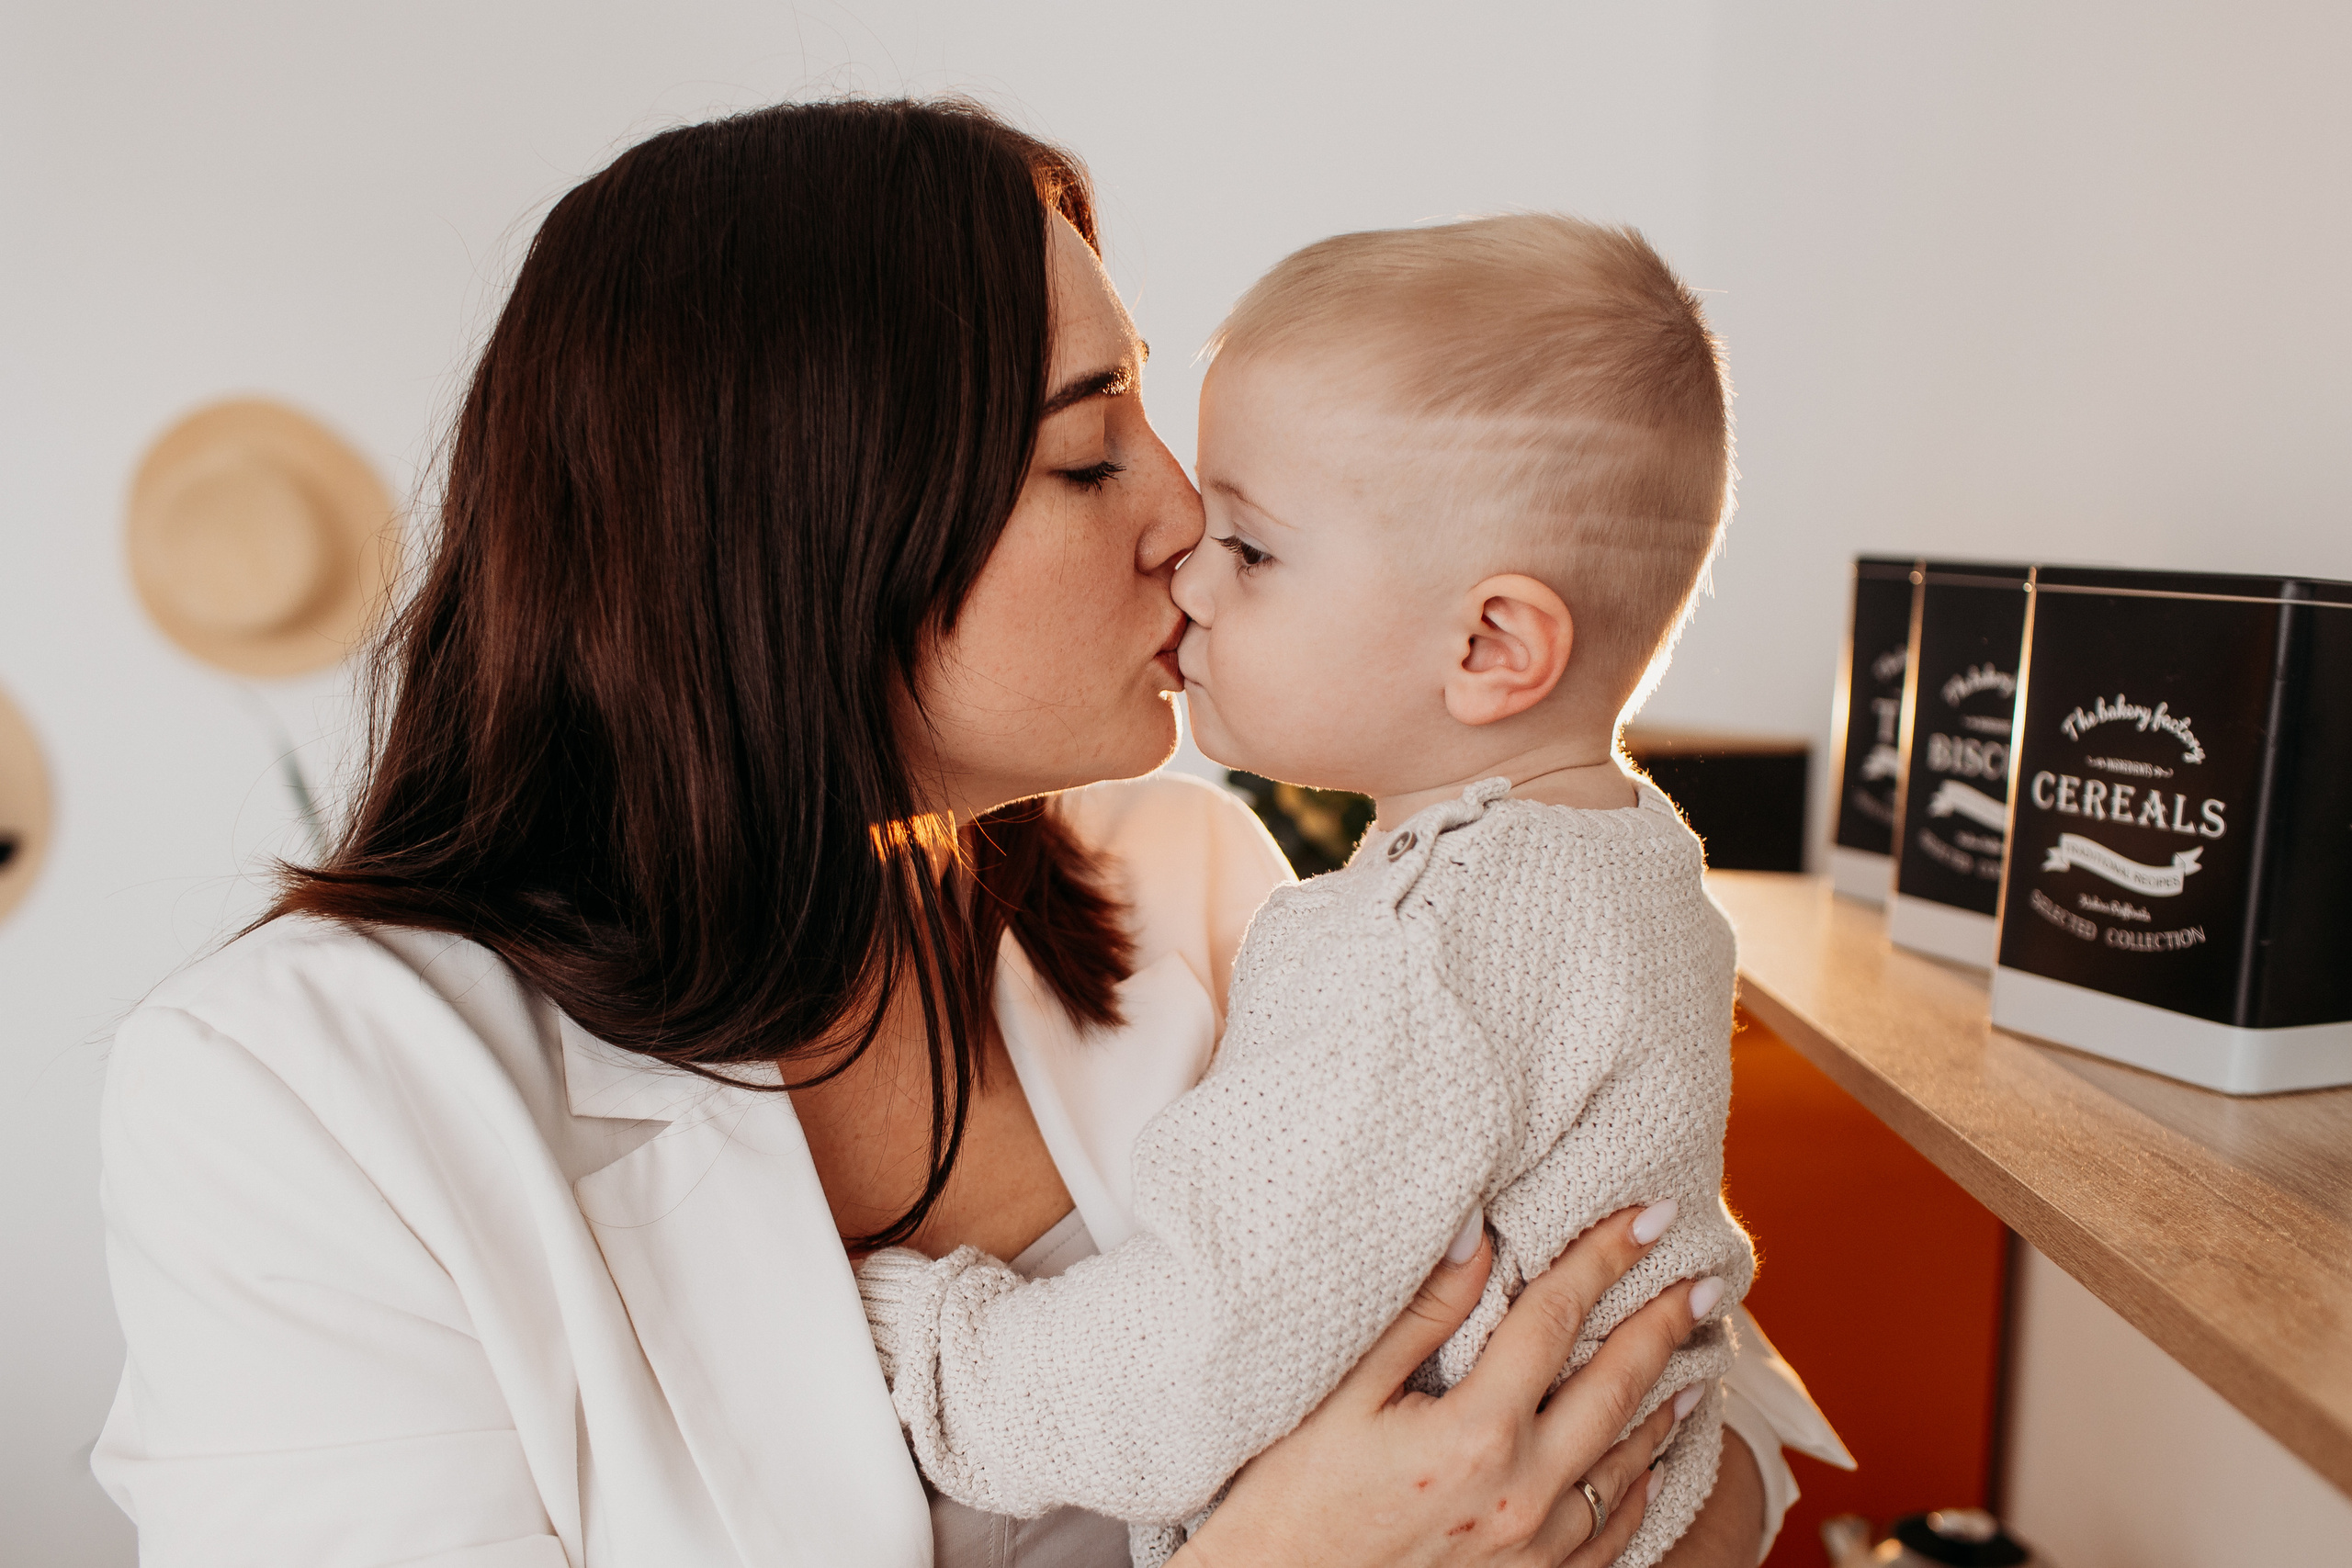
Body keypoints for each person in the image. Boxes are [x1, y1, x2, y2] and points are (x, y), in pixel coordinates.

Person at [90, 98, 1834, 1568]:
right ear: (802, 533)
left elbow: (1701, 1402)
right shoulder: (293, 1097)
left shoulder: (1209, 885)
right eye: (1092, 459)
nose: (1179, 520)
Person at [857, 214, 1800, 1568]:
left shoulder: (1412, 960)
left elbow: (1188, 1369)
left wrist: (912, 1343)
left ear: (1491, 645)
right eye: (1086, 458)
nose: (1186, 557)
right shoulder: (1641, 866)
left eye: (1251, 547)